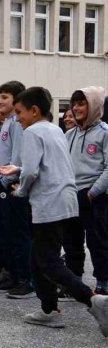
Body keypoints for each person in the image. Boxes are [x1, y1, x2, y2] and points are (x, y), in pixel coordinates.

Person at [0, 87, 108, 334]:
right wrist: (18, 169)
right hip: (65, 199)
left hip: (48, 203)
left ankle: (94, 300)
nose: (17, 118)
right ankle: (49, 309)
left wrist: (20, 190)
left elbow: (31, 172)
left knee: (48, 261)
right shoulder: (55, 130)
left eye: (19, 112)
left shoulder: (32, 132)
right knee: (38, 258)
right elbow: (48, 164)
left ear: (34, 111)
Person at [0, 81, 34, 297]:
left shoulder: (17, 123)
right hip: (1, 184)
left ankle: (25, 279)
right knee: (5, 234)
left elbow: (17, 156)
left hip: (11, 184)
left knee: (17, 234)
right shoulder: (7, 122)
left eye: (5, 97)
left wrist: (7, 180)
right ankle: (13, 275)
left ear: (17, 100)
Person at [63, 87, 108, 295]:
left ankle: (104, 281)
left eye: (82, 104)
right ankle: (74, 282)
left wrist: (93, 192)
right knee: (71, 241)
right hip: (71, 194)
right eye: (74, 104)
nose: (76, 108)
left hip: (95, 196)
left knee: (97, 241)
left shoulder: (104, 133)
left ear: (94, 106)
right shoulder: (69, 134)